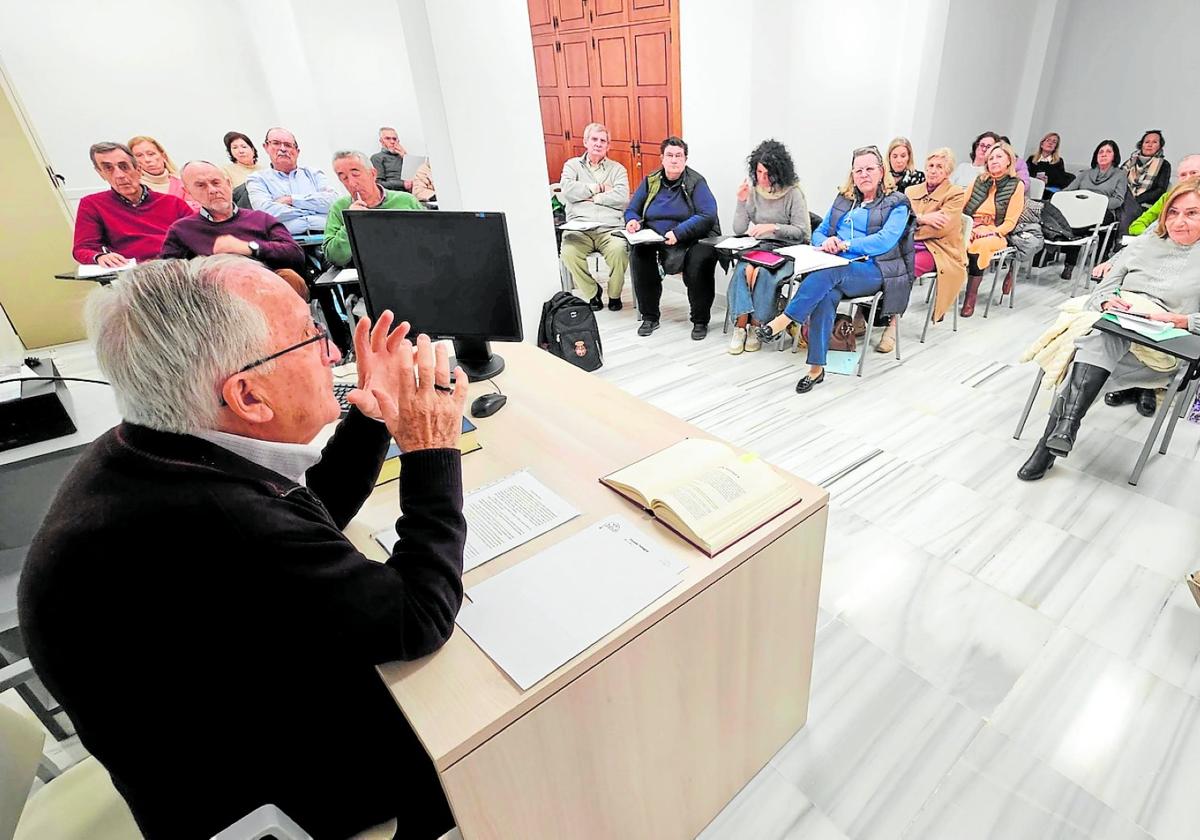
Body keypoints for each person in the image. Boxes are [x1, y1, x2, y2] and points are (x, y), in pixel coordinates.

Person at [19, 255, 469, 839]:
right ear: (248, 396)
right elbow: (416, 618)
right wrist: (432, 450)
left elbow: (304, 520)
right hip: (263, 802)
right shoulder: (214, 519)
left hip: (213, 727)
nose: (332, 353)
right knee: (474, 728)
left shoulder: (151, 448)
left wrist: (371, 418)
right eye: (310, 339)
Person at [1017, 179, 1200, 481]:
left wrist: (1176, 320)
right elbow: (1104, 288)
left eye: (1192, 213)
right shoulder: (1146, 241)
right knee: (1101, 337)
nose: (1179, 222)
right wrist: (1107, 303)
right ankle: (1059, 435)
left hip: (1161, 347)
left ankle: (1054, 439)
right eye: (1173, 212)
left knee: (1083, 357)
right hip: (1117, 326)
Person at [756, 146, 912, 392]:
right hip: (837, 267)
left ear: (881, 172)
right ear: (852, 174)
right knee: (825, 294)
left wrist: (846, 244)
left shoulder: (897, 203)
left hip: (875, 269)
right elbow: (819, 231)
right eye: (858, 170)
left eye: (870, 169)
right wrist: (825, 243)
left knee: (829, 273)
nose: (864, 175)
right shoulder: (844, 199)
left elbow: (885, 240)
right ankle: (816, 369)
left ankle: (783, 320)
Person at [160, 161, 307, 298]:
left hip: (268, 287)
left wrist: (251, 248)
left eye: (216, 182)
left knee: (289, 277)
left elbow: (296, 255)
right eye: (201, 186)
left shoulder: (261, 219)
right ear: (188, 192)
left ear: (228, 184)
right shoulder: (181, 231)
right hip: (220, 298)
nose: (212, 190)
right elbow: (170, 277)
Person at [624, 136, 721, 340]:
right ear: (662, 158)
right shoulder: (651, 180)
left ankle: (700, 320)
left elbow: (707, 215)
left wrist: (679, 233)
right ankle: (649, 316)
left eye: (679, 155)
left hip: (693, 238)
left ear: (685, 159)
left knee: (700, 262)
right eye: (669, 155)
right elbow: (633, 208)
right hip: (657, 237)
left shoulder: (696, 182)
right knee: (639, 255)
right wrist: (632, 220)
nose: (674, 160)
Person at [726, 139, 810, 354]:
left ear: (779, 173)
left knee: (762, 273)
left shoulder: (793, 193)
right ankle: (740, 327)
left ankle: (757, 326)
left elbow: (802, 232)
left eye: (768, 174)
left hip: (788, 249)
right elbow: (738, 228)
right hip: (762, 246)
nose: (762, 178)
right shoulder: (754, 190)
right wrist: (741, 201)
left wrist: (773, 227)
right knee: (743, 270)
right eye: (759, 172)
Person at [72, 141, 193, 266]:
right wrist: (99, 257)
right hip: (132, 275)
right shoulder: (92, 204)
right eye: (108, 168)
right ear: (100, 173)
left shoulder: (173, 203)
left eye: (124, 166)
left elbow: (200, 236)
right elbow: (82, 249)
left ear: (138, 169)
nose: (119, 175)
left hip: (177, 267)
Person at [559, 122, 631, 310]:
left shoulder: (617, 170)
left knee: (619, 251)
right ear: (585, 142)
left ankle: (614, 295)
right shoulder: (572, 166)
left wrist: (594, 199)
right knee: (568, 253)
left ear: (608, 145)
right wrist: (598, 188)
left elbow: (622, 198)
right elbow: (568, 191)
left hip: (610, 229)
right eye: (594, 139)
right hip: (579, 229)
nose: (598, 144)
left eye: (603, 140)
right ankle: (593, 292)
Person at [323, 150, 422, 267]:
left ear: (373, 174)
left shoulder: (406, 201)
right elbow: (334, 258)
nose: (351, 183)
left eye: (355, 174)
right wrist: (350, 224)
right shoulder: (339, 208)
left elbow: (427, 239)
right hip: (365, 276)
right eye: (344, 178)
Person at [960, 142, 1026, 316]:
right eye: (990, 158)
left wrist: (990, 231)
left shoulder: (1016, 185)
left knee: (979, 247)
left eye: (999, 157)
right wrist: (968, 228)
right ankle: (945, 295)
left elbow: (1010, 222)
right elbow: (962, 206)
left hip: (996, 231)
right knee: (952, 241)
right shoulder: (979, 180)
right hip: (971, 225)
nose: (994, 161)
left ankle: (970, 298)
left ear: (1009, 161)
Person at [907, 147, 967, 323]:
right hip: (910, 244)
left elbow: (940, 229)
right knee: (882, 263)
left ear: (947, 171)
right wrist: (923, 219)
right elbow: (899, 222)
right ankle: (869, 314)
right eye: (931, 165)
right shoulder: (911, 191)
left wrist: (912, 225)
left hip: (940, 250)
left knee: (906, 269)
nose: (933, 170)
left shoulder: (955, 193)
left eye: (940, 166)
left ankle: (890, 321)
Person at [246, 127, 338, 235]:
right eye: (276, 143)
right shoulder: (257, 179)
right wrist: (313, 209)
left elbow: (334, 202)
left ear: (297, 151)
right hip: (288, 241)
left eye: (288, 145)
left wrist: (291, 200)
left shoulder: (314, 174)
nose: (283, 149)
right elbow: (265, 212)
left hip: (326, 236)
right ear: (266, 147)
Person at [1060, 139, 1127, 279]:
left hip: (1104, 211)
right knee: (1074, 219)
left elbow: (1118, 200)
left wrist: (1097, 203)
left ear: (1115, 156)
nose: (1103, 154)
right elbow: (1068, 191)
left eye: (1108, 152)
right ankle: (1069, 265)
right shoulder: (1085, 173)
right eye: (1101, 151)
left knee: (1078, 222)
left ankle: (1097, 266)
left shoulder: (1120, 175)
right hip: (1080, 210)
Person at [1129, 153, 1200, 236]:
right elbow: (1136, 225)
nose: (1188, 178)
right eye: (1183, 175)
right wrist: (1156, 237)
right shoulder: (1167, 197)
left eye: (1194, 173)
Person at [128, 134, 199, 211]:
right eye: (139, 155)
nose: (147, 159)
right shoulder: (133, 188)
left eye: (151, 154)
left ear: (163, 156)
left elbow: (197, 210)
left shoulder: (183, 184)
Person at [1123, 129, 1171, 210]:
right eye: (1147, 142)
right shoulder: (1130, 162)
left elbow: (1160, 190)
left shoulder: (1164, 165)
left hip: (1145, 206)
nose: (1150, 145)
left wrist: (1136, 200)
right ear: (1141, 145)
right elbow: (1117, 182)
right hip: (1123, 202)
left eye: (1154, 142)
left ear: (1160, 146)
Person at [370, 127, 411, 193]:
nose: (392, 142)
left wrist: (406, 157)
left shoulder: (404, 156)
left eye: (394, 139)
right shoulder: (377, 158)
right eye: (387, 138)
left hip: (411, 193)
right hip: (391, 194)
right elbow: (377, 184)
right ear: (381, 141)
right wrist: (402, 184)